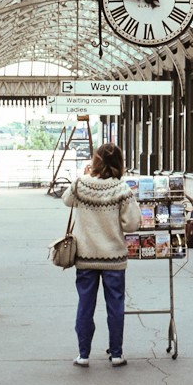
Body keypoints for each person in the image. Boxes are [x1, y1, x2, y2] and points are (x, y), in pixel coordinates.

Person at [62, 143, 140, 369]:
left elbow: (67, 200)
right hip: (113, 258)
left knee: (85, 304)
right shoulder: (121, 189)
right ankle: (116, 353)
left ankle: (83, 354)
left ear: (95, 162)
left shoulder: (81, 184)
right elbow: (132, 224)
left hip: (85, 256)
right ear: (119, 162)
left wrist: (86, 176)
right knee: (115, 305)